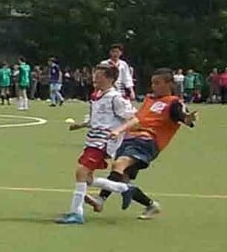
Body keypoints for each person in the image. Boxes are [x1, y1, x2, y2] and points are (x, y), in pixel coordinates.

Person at [96, 68, 197, 220]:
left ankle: (100, 200)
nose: (153, 86)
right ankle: (151, 205)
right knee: (122, 178)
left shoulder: (173, 103)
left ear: (169, 84)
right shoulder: (149, 99)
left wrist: (188, 119)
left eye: (157, 83)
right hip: (129, 139)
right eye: (152, 83)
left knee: (119, 165)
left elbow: (184, 118)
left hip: (147, 141)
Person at [56, 64, 138, 224]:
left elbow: (134, 119)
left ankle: (76, 213)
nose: (95, 79)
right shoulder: (96, 96)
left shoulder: (116, 98)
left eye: (99, 76)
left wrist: (118, 130)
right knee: (87, 178)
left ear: (110, 79)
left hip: (103, 142)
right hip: (92, 140)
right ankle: (124, 188)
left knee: (81, 172)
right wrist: (81, 125)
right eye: (95, 75)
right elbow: (96, 119)